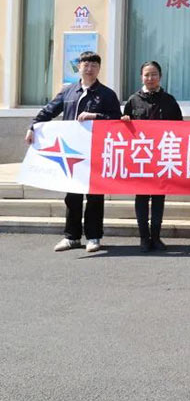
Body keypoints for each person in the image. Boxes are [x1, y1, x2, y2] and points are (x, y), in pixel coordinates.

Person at [27, 51, 121, 254]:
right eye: (86, 65)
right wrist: (33, 126)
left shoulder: (107, 94)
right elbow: (49, 111)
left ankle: (94, 237)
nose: (89, 69)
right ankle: (72, 237)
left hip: (96, 152)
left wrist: (95, 116)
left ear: (99, 68)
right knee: (72, 196)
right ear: (79, 67)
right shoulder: (68, 92)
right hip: (71, 154)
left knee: (95, 196)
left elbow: (116, 120)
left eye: (94, 65)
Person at [120, 61, 183, 252]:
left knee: (158, 198)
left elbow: (180, 128)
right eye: (147, 75)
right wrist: (125, 121)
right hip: (141, 158)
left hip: (162, 157)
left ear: (160, 77)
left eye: (154, 74)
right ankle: (144, 237)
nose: (150, 78)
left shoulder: (169, 100)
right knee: (141, 198)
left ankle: (156, 237)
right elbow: (123, 130)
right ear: (141, 77)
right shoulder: (133, 100)